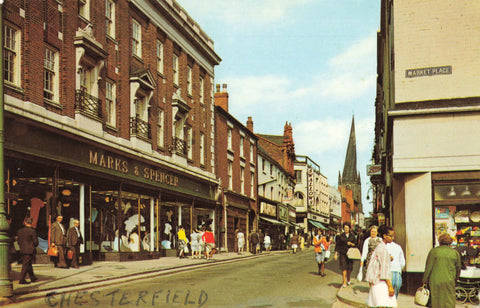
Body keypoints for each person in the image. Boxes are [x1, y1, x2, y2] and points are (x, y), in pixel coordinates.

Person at [422, 233, 461, 308]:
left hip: (435, 280)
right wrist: (456, 279)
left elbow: (428, 267)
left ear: (439, 241)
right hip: (449, 280)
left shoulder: (434, 251)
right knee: (449, 300)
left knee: (436, 300)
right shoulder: (455, 253)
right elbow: (458, 268)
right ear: (450, 242)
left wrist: (424, 280)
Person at [365, 225, 397, 308]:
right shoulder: (383, 249)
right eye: (390, 236)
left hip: (375, 281)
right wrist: (390, 286)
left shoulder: (380, 247)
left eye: (393, 235)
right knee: (382, 305)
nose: (392, 238)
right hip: (380, 282)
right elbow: (384, 270)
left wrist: (388, 258)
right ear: (384, 236)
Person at [334, 222, 357, 287]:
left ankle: (348, 279)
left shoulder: (352, 236)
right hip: (343, 253)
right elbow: (337, 245)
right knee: (344, 267)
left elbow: (356, 244)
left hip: (350, 254)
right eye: (345, 228)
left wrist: (351, 244)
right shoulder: (340, 236)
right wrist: (336, 253)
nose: (346, 229)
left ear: (349, 228)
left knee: (349, 268)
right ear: (343, 229)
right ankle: (344, 282)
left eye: (347, 228)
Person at [17, 218, 39, 284]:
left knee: (28, 264)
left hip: (22, 249)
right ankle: (22, 279)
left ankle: (32, 277)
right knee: (26, 265)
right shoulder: (32, 231)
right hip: (30, 250)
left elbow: (18, 241)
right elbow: (36, 242)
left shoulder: (20, 231)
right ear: (31, 223)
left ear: (25, 223)